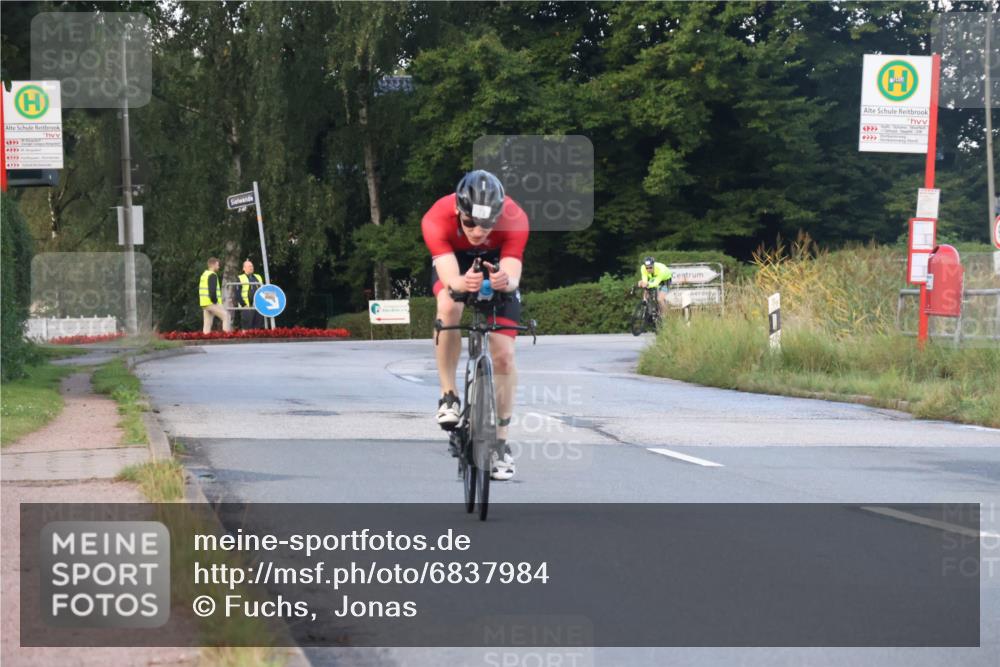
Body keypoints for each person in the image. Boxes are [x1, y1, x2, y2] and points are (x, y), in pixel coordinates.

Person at [421, 170, 529, 481]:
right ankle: (449, 396)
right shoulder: (436, 217)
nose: (478, 231)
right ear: (458, 210)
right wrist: (460, 283)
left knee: (504, 355)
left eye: (486, 224)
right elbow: (449, 278)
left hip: (497, 264)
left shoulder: (515, 217)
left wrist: (503, 281)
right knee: (448, 304)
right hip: (456, 263)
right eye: (469, 223)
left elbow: (513, 276)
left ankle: (500, 443)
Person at [199, 257, 231, 334]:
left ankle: (205, 338)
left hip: (204, 303)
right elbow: (212, 290)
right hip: (211, 302)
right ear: (213, 265)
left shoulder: (204, 274)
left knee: (207, 323)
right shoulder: (212, 275)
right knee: (226, 316)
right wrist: (215, 301)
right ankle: (226, 336)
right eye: (218, 265)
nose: (219, 267)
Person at [236, 259, 265, 330]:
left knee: (258, 326)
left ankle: (257, 340)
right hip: (246, 306)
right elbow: (237, 293)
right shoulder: (240, 278)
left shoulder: (258, 277)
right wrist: (243, 305)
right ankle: (245, 340)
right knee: (247, 327)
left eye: (252, 266)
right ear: (244, 268)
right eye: (249, 266)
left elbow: (263, 290)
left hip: (258, 306)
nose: (251, 267)